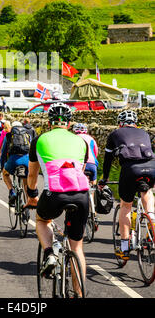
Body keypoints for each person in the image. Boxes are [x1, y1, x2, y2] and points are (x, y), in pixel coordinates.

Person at [25, 102, 89, 294]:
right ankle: (79, 293)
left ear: (49, 122)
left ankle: (49, 254)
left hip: (54, 193)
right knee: (77, 247)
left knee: (42, 220)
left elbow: (32, 175)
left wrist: (32, 196)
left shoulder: (39, 139)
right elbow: (80, 173)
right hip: (81, 195)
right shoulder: (81, 141)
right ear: (69, 123)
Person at [99, 109, 155, 262]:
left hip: (130, 169)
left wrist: (104, 179)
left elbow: (108, 160)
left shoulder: (115, 134)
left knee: (126, 206)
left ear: (120, 123)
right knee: (147, 192)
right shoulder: (144, 133)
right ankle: (151, 219)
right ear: (135, 123)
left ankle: (124, 248)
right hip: (151, 167)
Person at [0, 121, 30, 206]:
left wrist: (2, 166)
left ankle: (12, 192)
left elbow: (3, 153)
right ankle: (28, 203)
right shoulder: (27, 136)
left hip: (13, 160)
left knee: (5, 174)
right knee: (25, 184)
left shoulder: (8, 136)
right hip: (26, 160)